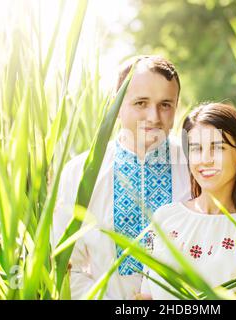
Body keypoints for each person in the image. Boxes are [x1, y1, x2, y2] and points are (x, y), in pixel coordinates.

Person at [51, 55, 191, 299]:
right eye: (141, 103)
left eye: (165, 104)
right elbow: (66, 264)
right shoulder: (81, 172)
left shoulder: (195, 165)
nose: (154, 117)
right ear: (115, 107)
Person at [139, 102, 236, 300]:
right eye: (196, 149)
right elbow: (146, 296)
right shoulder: (165, 218)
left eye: (218, 148)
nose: (205, 160)